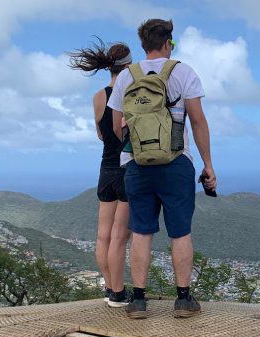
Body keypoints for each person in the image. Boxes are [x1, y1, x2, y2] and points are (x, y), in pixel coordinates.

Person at [107, 19, 217, 319]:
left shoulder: (127, 76)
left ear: (143, 45)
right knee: (180, 232)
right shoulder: (183, 72)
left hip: (137, 164)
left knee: (141, 232)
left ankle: (139, 301)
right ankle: (183, 300)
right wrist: (207, 164)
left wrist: (138, 147)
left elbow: (117, 126)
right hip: (176, 161)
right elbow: (197, 121)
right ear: (168, 42)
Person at [68, 39, 133, 307]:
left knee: (103, 234)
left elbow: (100, 133)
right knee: (120, 236)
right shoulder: (130, 93)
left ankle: (109, 286)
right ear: (128, 66)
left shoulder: (98, 96)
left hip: (105, 168)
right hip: (127, 167)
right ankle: (118, 293)